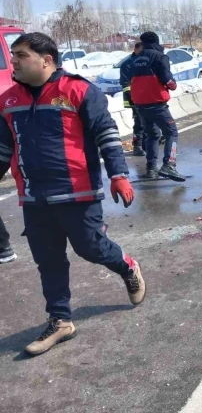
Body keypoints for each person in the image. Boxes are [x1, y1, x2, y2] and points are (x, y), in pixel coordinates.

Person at [0, 32, 143, 356]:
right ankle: (61, 320)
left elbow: (106, 134)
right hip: (34, 198)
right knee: (48, 260)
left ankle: (128, 267)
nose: (14, 62)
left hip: (78, 193)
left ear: (46, 59)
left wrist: (118, 175)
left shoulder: (79, 91)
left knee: (91, 248)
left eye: (21, 55)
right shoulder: (8, 101)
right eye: (13, 55)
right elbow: (3, 147)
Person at [130, 31, 185, 181]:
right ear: (156, 41)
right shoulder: (159, 57)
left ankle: (151, 169)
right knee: (171, 132)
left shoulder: (136, 59)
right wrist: (172, 85)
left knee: (152, 135)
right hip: (156, 103)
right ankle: (169, 165)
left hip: (140, 105)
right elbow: (167, 79)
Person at [120, 42, 154, 156]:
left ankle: (146, 142)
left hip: (145, 97)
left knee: (148, 120)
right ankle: (137, 146)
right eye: (140, 50)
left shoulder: (143, 61)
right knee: (139, 122)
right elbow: (125, 84)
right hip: (134, 98)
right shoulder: (128, 64)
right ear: (135, 49)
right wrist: (133, 97)